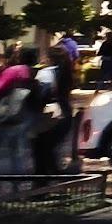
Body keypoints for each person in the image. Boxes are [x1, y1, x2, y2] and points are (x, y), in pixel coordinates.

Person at [0, 51, 38, 175]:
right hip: (22, 116)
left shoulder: (14, 70)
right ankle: (17, 185)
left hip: (5, 117)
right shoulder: (32, 72)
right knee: (18, 152)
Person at [31, 46, 76, 176]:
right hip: (64, 113)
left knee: (40, 150)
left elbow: (41, 95)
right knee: (49, 149)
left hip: (48, 115)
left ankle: (42, 185)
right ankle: (54, 180)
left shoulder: (46, 73)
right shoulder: (66, 72)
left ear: (50, 58)